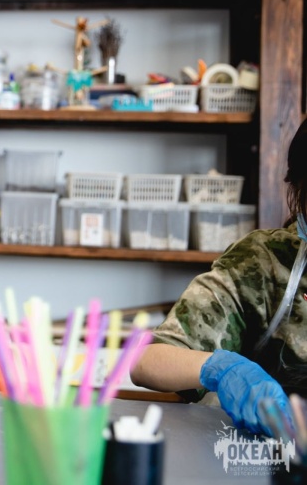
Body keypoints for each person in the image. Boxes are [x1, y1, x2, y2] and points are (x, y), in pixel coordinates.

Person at [131, 118, 307, 436]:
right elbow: (146, 361)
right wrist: (222, 369)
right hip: (263, 452)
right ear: (298, 192)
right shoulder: (262, 262)